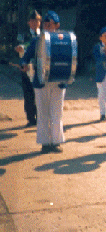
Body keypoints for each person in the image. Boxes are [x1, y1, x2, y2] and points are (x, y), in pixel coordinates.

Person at [20, 11, 68, 153]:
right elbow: (26, 57)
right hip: (41, 81)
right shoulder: (36, 40)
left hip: (58, 81)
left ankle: (56, 141)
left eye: (50, 24)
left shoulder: (63, 39)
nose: (47, 26)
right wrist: (23, 63)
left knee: (57, 112)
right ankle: (45, 143)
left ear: (57, 25)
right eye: (45, 24)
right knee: (42, 112)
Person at [14, 10, 41, 127]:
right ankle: (31, 119)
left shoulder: (43, 35)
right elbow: (19, 48)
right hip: (27, 68)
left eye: (37, 21)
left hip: (39, 68)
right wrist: (19, 48)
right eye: (33, 21)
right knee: (28, 94)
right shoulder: (23, 35)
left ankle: (41, 118)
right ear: (29, 22)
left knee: (40, 94)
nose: (35, 23)